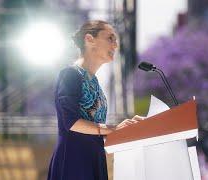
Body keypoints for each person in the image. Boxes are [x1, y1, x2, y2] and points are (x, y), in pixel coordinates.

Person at [47, 20, 143, 180]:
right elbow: (71, 122)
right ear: (89, 39)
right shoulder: (70, 74)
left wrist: (127, 129)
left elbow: (96, 130)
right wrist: (113, 128)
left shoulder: (95, 82)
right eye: (110, 38)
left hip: (94, 159)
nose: (115, 45)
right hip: (73, 161)